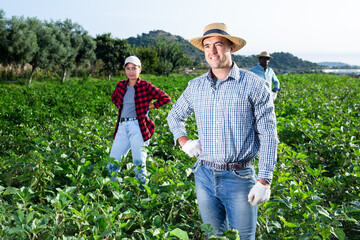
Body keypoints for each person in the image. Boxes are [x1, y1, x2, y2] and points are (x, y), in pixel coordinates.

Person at [166, 23, 278, 239]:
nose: (212, 51)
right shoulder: (195, 86)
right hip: (204, 176)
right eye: (207, 46)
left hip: (239, 177)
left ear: (231, 48)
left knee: (243, 237)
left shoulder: (254, 85)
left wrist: (264, 180)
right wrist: (184, 141)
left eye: (218, 45)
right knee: (213, 236)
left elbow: (269, 136)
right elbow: (174, 115)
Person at [108, 56, 171, 184]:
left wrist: (151, 106)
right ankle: (112, 189)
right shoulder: (120, 85)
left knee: (138, 163)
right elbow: (114, 98)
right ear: (125, 70)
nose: (131, 71)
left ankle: (143, 192)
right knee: (113, 161)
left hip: (138, 126)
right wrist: (122, 106)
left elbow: (165, 98)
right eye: (128, 68)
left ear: (140, 69)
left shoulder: (146, 86)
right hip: (122, 126)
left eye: (134, 68)